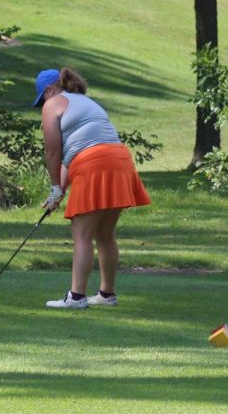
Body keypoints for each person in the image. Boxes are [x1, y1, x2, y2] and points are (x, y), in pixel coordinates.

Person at [34, 67, 151, 309]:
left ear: (49, 90)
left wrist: (55, 186)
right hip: (119, 160)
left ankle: (76, 297)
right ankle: (107, 295)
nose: (42, 105)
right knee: (105, 234)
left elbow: (53, 151)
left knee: (82, 233)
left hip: (94, 163)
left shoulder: (53, 103)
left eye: (41, 99)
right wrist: (58, 191)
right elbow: (70, 156)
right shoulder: (85, 102)